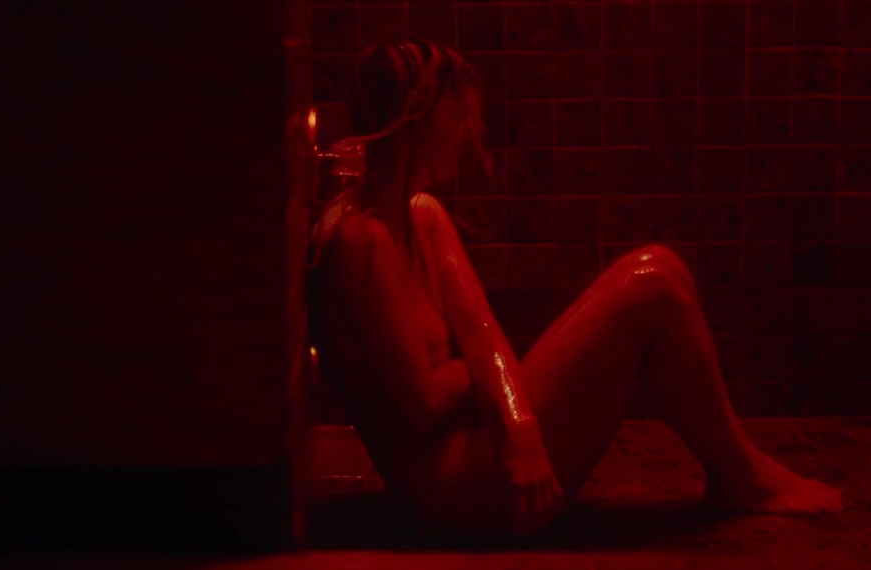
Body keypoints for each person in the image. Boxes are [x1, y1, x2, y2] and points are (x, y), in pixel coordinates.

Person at [306, 37, 842, 537]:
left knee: (666, 274)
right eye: (456, 112)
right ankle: (741, 477)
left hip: (494, 448)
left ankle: (737, 471)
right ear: (417, 120)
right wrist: (477, 372)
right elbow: (424, 401)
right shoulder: (361, 241)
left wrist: (521, 428)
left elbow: (483, 332)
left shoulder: (423, 216)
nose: (468, 130)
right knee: (652, 280)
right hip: (458, 489)